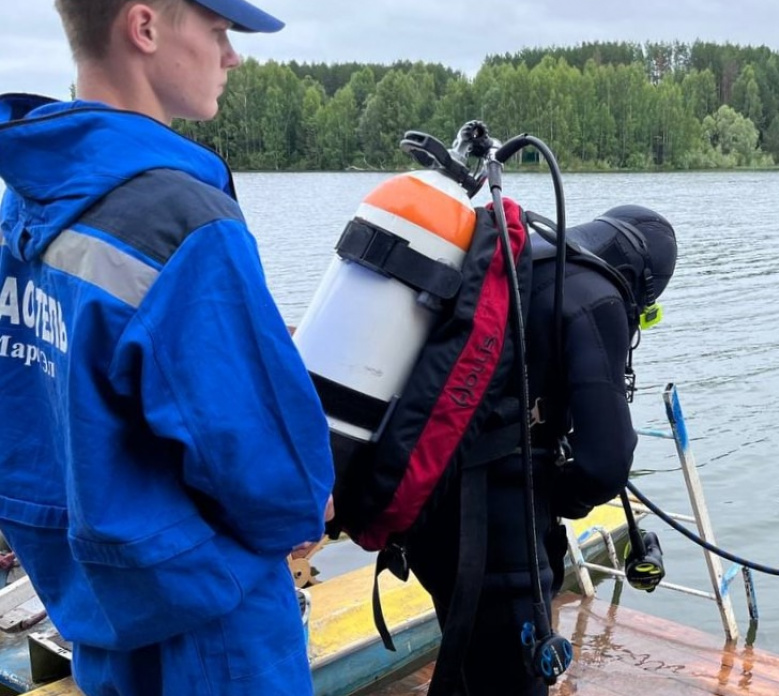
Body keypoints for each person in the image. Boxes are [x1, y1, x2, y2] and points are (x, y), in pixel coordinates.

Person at [0, 2, 334, 695]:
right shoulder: (180, 221)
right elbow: (272, 478)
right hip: (216, 637)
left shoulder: (25, 205)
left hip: (99, 616)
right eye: (217, 32)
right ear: (145, 27)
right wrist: (314, 503)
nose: (232, 56)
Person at [403, 205, 678, 695]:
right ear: (641, 281)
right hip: (502, 547)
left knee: (470, 671)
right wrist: (559, 495)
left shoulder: (520, 262)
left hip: (431, 517)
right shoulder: (598, 297)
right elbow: (606, 465)